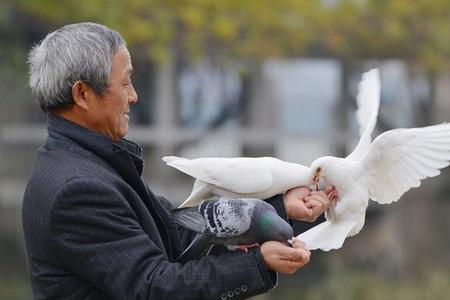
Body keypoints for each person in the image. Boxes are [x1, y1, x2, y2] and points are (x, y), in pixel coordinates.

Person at [22, 22, 332, 300]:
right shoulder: (78, 188)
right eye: (125, 82)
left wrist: (277, 211)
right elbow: (154, 287)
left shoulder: (84, 161)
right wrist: (255, 263)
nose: (134, 96)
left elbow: (174, 230)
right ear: (82, 94)